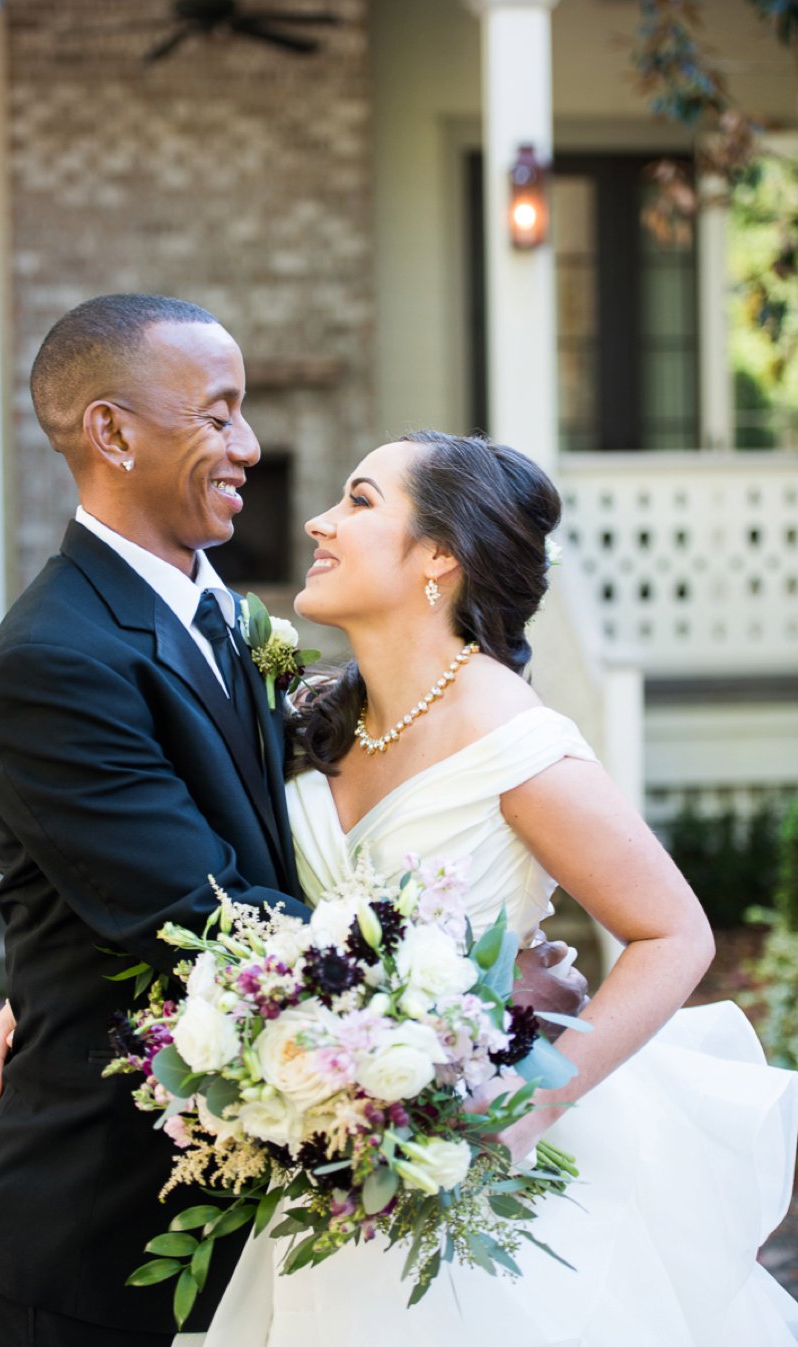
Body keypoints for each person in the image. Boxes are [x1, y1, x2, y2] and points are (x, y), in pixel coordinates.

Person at [0, 298, 584, 1347]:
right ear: (112, 433)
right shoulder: (54, 662)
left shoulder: (239, 626)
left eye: (246, 413)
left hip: (275, 1229)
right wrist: (476, 995)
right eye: (218, 415)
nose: (249, 447)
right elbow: (218, 923)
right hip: (103, 1237)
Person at [201, 431, 798, 1347]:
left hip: (475, 1174)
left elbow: (676, 934)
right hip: (333, 1164)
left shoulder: (517, 742)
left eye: (360, 501)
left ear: (441, 556)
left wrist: (532, 1099)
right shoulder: (316, 719)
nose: (320, 521)